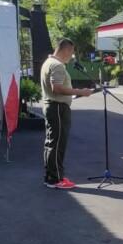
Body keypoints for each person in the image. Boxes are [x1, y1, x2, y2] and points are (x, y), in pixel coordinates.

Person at [40, 38, 93, 189]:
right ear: (66, 50)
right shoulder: (57, 65)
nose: (72, 56)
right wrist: (80, 91)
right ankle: (56, 179)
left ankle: (52, 176)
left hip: (53, 106)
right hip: (58, 107)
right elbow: (56, 88)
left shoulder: (48, 62)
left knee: (52, 143)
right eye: (71, 52)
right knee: (57, 144)